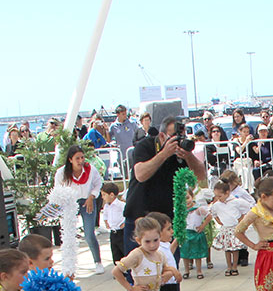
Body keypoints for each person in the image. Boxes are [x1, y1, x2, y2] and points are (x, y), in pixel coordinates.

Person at [122, 117, 207, 253]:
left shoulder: (180, 151)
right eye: (174, 137)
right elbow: (140, 175)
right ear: (162, 136)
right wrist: (164, 154)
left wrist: (189, 156)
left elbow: (201, 176)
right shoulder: (145, 146)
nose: (178, 140)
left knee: (169, 264)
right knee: (138, 266)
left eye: (182, 136)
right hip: (140, 215)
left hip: (166, 218)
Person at [54, 145, 105, 273]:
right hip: (70, 203)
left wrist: (92, 196)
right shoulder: (61, 173)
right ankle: (69, 265)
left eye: (82, 157)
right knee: (69, 234)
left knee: (89, 234)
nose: (80, 161)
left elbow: (98, 183)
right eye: (77, 158)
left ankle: (97, 261)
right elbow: (58, 189)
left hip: (87, 201)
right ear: (70, 160)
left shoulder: (90, 169)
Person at [210, 180, 247, 276]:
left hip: (234, 228)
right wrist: (219, 221)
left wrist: (240, 222)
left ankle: (234, 266)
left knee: (235, 249)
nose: (218, 198)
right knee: (227, 249)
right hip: (225, 228)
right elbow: (214, 214)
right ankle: (228, 266)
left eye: (220, 196)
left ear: (227, 193)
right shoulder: (217, 205)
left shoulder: (236, 202)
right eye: (216, 196)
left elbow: (245, 210)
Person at [101, 181, 126, 264]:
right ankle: (118, 269)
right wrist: (106, 222)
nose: (103, 197)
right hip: (113, 231)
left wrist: (124, 223)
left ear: (111, 195)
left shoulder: (120, 205)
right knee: (115, 252)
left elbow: (126, 214)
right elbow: (105, 215)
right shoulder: (106, 206)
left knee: (124, 250)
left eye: (104, 195)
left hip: (121, 231)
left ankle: (127, 269)